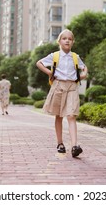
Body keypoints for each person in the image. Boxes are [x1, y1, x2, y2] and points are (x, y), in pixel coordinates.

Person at [36, 29, 88, 158]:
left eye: (70, 39)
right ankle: (60, 143)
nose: (67, 40)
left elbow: (84, 67)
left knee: (71, 115)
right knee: (58, 116)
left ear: (72, 42)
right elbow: (39, 63)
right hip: (58, 85)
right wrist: (49, 73)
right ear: (59, 41)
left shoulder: (75, 57)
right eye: (64, 38)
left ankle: (75, 146)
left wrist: (83, 75)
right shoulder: (54, 56)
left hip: (72, 87)